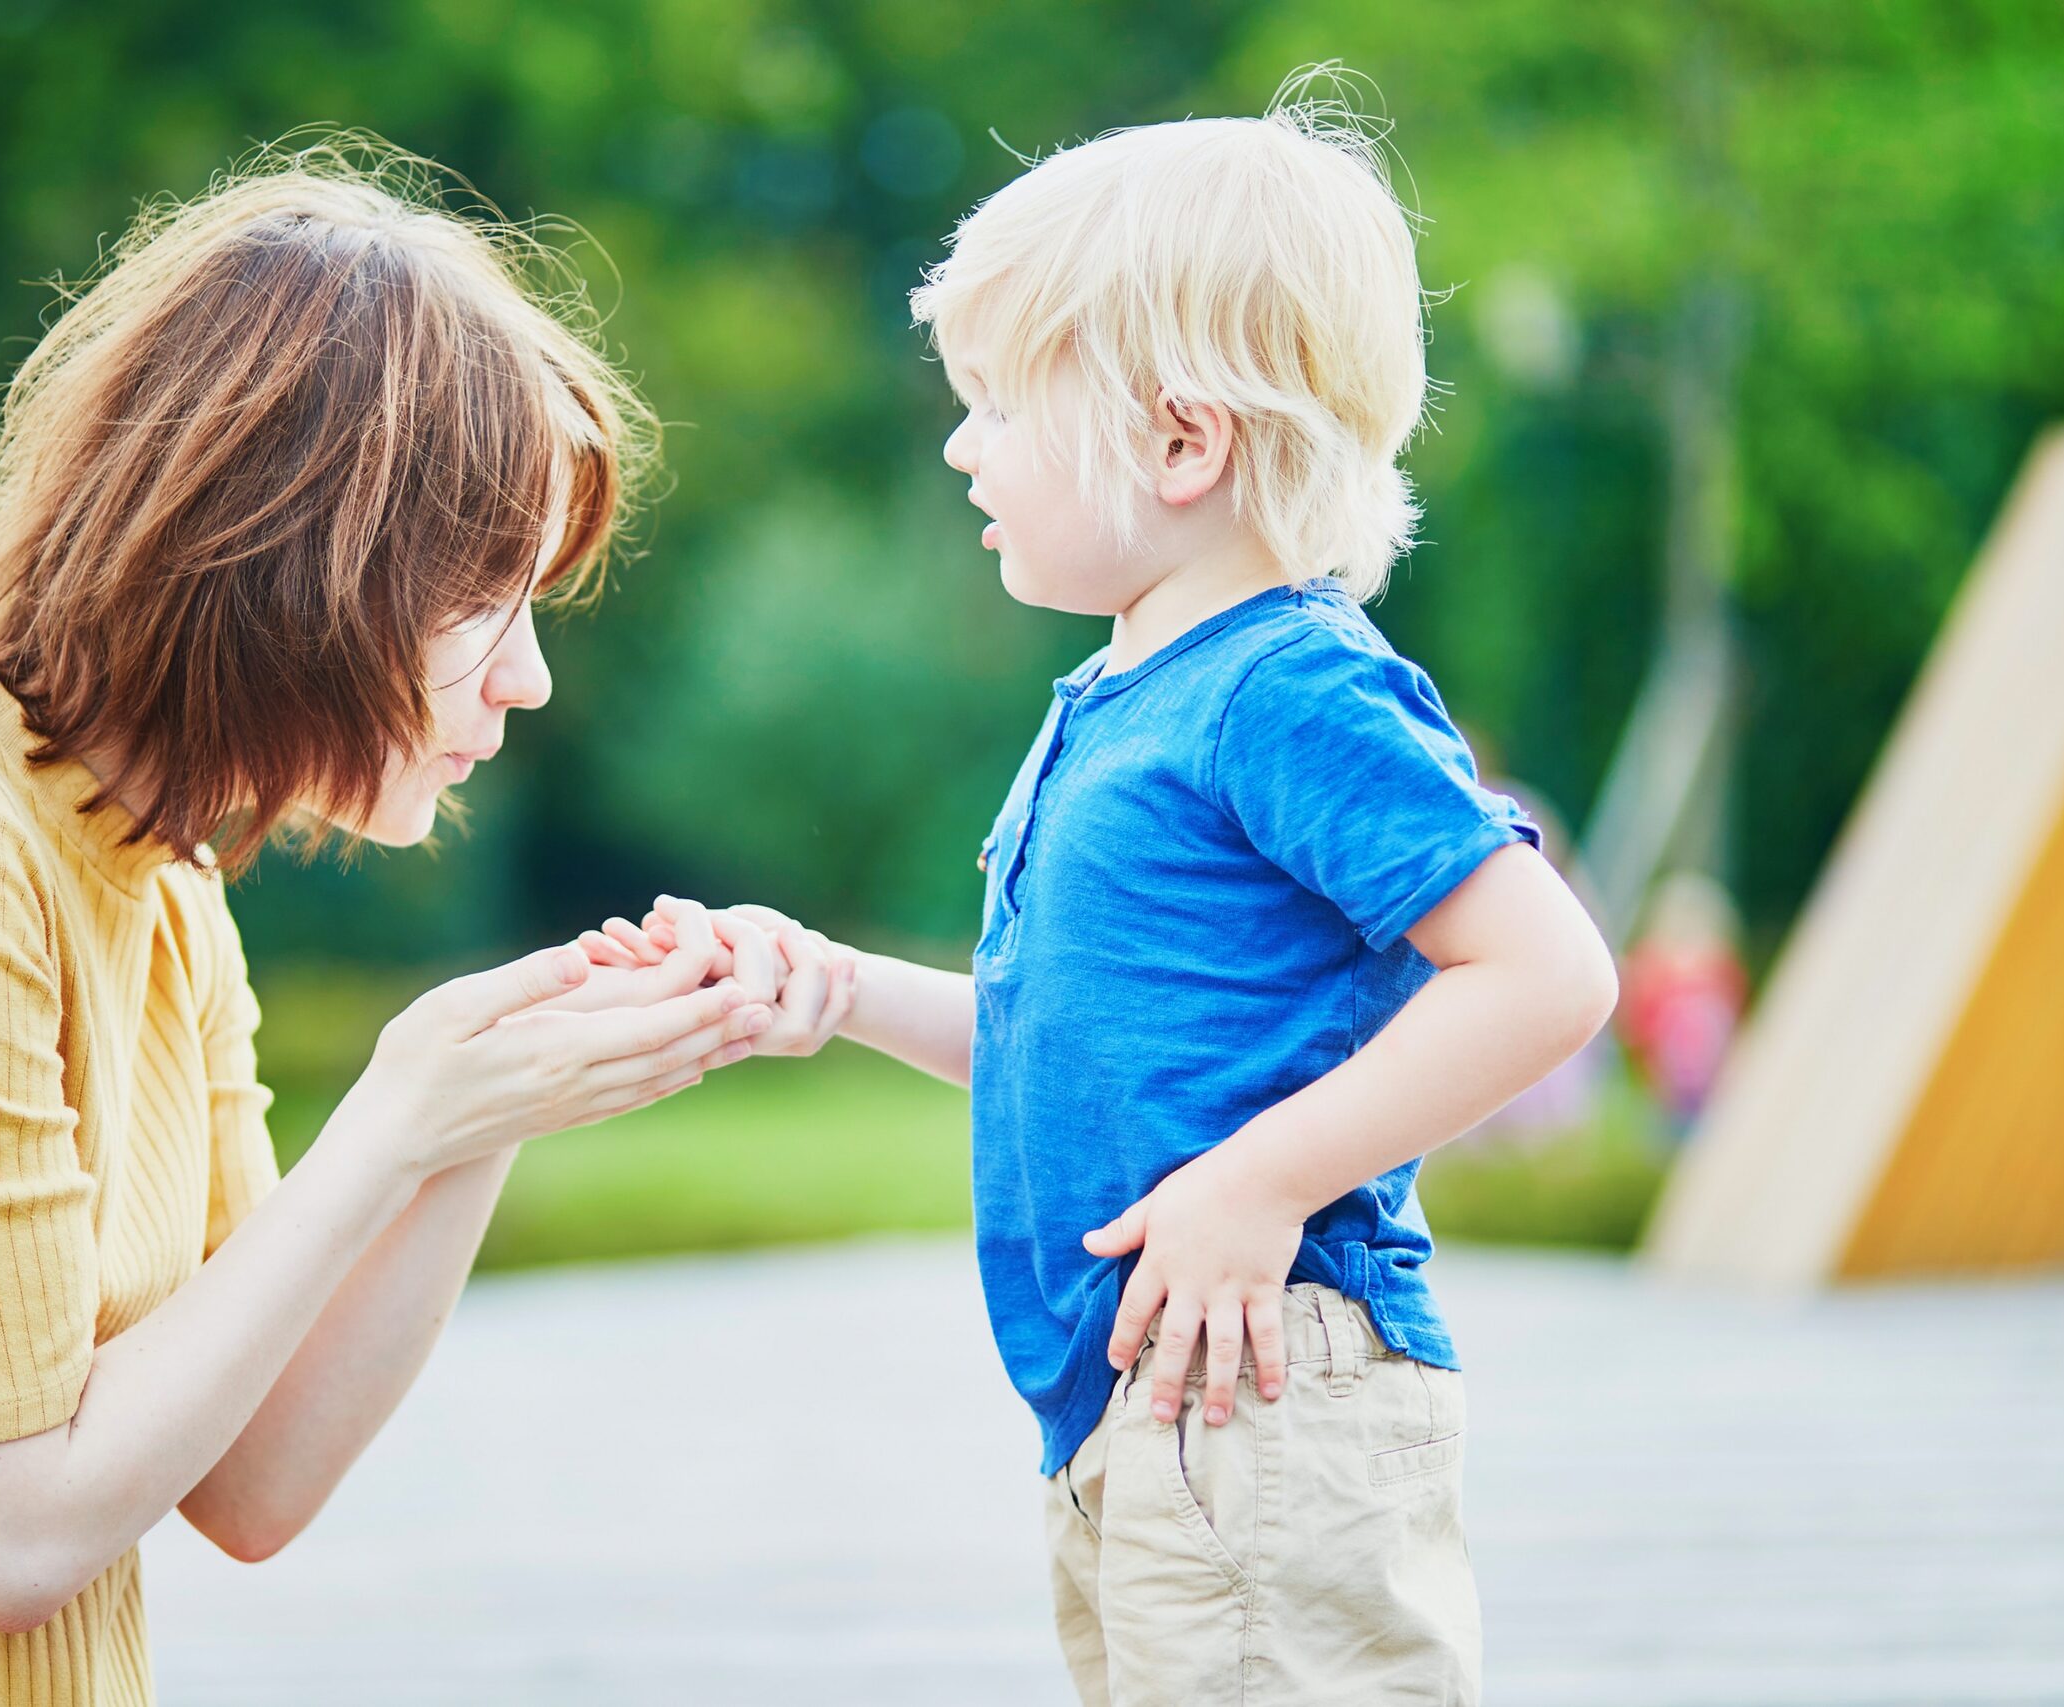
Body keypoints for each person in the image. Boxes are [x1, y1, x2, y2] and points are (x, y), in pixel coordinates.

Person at [0, 147, 849, 1705]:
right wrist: (396, 1114)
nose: (527, 677)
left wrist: (482, 1106)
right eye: (484, 594)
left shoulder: (154, 881)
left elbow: (255, 1483)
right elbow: (15, 1537)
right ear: (296, 557)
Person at [598, 87, 1616, 1705]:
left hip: (1264, 1394)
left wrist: (1261, 1183)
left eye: (998, 405)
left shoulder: (1283, 688)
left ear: (1182, 440)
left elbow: (1546, 975)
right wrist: (844, 990)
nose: (959, 444)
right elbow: (1070, 1037)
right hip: (1145, 1417)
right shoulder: (1129, 698)